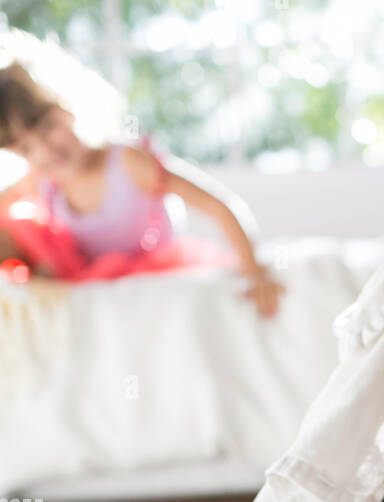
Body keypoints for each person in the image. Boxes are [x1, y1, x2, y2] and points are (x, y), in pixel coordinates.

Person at [0, 60, 283, 315]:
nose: (44, 151)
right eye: (26, 148)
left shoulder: (128, 162)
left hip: (158, 287)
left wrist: (254, 271)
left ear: (69, 107)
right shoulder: (42, 181)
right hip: (101, 299)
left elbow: (219, 206)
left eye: (48, 127)